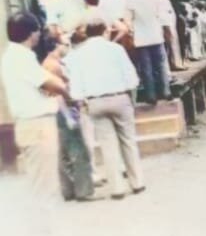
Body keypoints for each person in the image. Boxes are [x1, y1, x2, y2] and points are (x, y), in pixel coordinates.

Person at [66, 17, 145, 200]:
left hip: (95, 101)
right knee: (128, 141)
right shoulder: (116, 49)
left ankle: (117, 188)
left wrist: (81, 100)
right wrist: (129, 90)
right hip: (119, 97)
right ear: (104, 31)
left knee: (107, 145)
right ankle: (137, 182)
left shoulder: (79, 54)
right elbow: (131, 76)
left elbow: (76, 84)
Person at [1, 12, 68, 200]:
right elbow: (51, 84)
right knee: (44, 184)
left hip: (30, 123)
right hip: (37, 124)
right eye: (37, 30)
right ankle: (42, 228)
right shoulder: (20, 57)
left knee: (41, 180)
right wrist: (65, 91)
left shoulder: (14, 56)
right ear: (31, 33)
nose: (39, 34)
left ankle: (43, 225)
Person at [42, 36, 95, 202]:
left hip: (55, 109)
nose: (68, 47)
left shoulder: (46, 64)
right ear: (56, 46)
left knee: (63, 151)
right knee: (78, 149)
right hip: (63, 108)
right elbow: (64, 88)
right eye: (66, 44)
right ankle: (83, 190)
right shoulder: (54, 66)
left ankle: (68, 190)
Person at [127, 0, 171, 105]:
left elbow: (128, 20)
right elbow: (162, 15)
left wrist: (131, 30)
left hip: (141, 38)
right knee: (161, 65)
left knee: (147, 68)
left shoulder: (131, 0)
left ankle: (151, 95)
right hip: (156, 35)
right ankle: (166, 91)